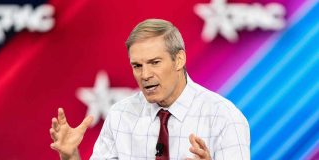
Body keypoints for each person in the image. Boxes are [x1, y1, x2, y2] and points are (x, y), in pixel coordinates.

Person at [50, 19, 250, 160]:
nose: (145, 75)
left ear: (179, 59)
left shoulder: (223, 117)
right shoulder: (121, 115)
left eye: (154, 62)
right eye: (137, 66)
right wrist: (70, 156)